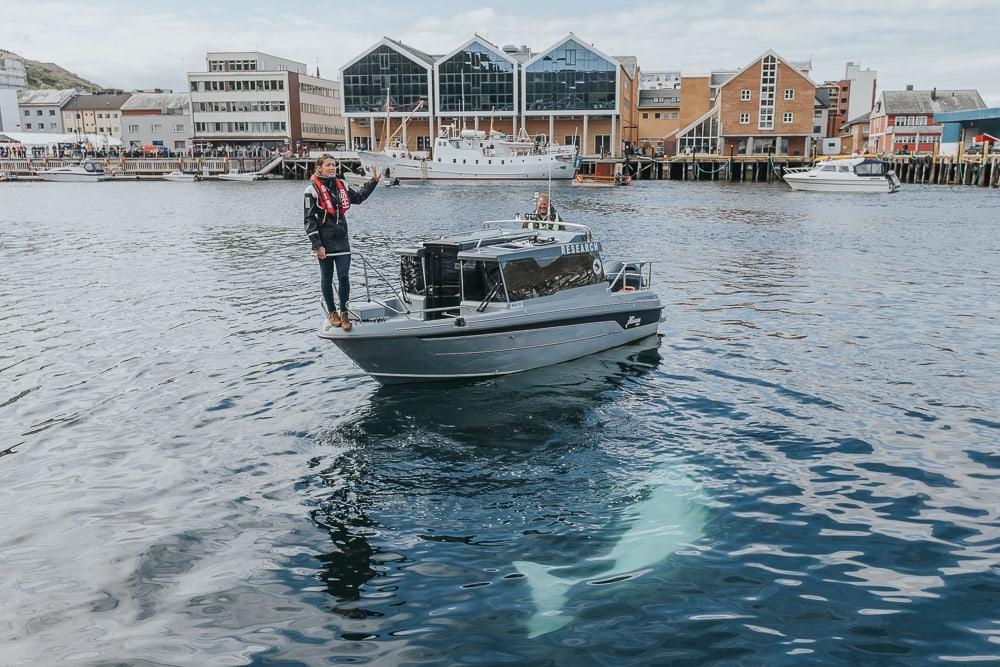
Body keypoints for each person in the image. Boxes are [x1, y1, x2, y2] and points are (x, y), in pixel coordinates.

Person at [304, 155, 380, 332]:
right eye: (328, 165)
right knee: (327, 277)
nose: (332, 168)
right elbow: (309, 220)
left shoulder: (342, 186)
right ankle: (332, 312)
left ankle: (344, 311)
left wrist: (374, 181)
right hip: (324, 243)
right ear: (319, 168)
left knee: (344, 277)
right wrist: (317, 245)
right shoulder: (311, 190)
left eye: (334, 165)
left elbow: (359, 197)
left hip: (342, 241)